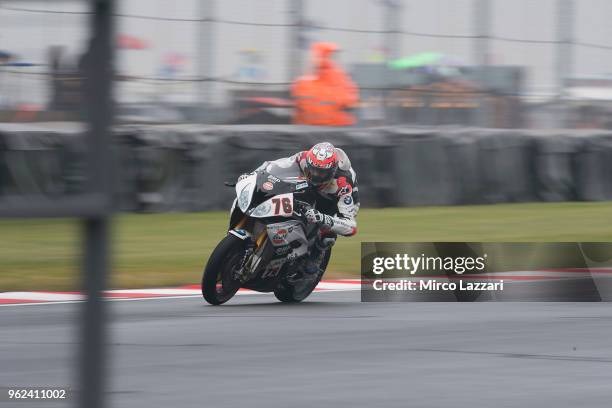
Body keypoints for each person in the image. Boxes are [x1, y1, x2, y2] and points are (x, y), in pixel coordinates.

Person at [250, 142, 360, 277]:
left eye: (321, 173)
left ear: (332, 171)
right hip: (309, 188)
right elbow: (271, 165)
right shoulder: (302, 158)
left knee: (327, 232)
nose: (315, 175)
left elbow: (351, 227)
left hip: (335, 199)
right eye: (312, 169)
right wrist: (252, 175)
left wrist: (323, 218)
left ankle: (316, 255)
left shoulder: (343, 184)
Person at [291, 42, 359, 126]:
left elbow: (298, 108)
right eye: (332, 56)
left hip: (309, 130)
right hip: (335, 128)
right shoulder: (341, 79)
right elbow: (349, 101)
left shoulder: (301, 83)